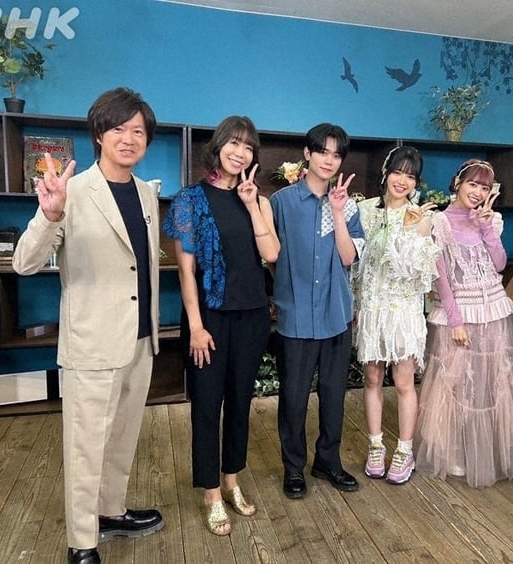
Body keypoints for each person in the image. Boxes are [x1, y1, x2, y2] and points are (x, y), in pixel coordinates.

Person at [12, 87, 164, 564]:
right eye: (119, 128)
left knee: (121, 437)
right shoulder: (72, 192)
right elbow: (24, 264)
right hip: (92, 344)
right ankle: (82, 541)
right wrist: (49, 215)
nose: (129, 138)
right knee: (85, 447)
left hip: (140, 339)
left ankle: (110, 511)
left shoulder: (146, 193)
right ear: (99, 134)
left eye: (138, 131)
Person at [163, 116, 279, 536]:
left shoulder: (258, 200)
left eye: (248, 147)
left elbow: (272, 255)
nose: (240, 153)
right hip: (209, 317)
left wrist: (250, 205)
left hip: (252, 316)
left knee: (240, 402)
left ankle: (232, 479)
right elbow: (186, 271)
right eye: (233, 143)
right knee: (208, 404)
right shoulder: (190, 200)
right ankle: (211, 492)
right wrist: (196, 326)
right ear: (218, 147)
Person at [414, 158, 513, 488]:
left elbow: (499, 264)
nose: (478, 192)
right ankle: (454, 453)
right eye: (473, 184)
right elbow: (440, 277)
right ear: (457, 183)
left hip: (493, 309)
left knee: (493, 382)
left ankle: (489, 453)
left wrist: (485, 228)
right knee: (455, 383)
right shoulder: (438, 222)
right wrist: (456, 322)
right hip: (459, 313)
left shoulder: (491, 219)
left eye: (485, 187)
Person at [269, 122, 364, 499]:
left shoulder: (348, 204)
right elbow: (269, 253)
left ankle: (328, 461)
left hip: (336, 314)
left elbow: (348, 257)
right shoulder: (281, 202)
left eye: (336, 154)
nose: (329, 160)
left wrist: (338, 213)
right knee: (293, 398)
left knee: (333, 395)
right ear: (306, 154)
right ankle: (293, 468)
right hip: (295, 316)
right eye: (322, 151)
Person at [353, 146, 439, 484]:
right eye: (398, 172)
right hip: (371, 309)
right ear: (385, 172)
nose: (403, 181)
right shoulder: (364, 211)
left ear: (416, 182)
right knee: (372, 380)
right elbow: (357, 265)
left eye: (411, 176)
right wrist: (356, 306)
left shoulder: (422, 217)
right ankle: (376, 446)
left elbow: (414, 274)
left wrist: (409, 232)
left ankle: (405, 449)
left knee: (403, 383)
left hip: (403, 311)